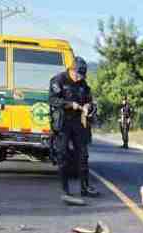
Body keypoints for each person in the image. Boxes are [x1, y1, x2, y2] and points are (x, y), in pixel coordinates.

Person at [49, 56, 98, 204]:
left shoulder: (83, 83)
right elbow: (52, 100)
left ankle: (85, 187)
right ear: (71, 69)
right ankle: (65, 190)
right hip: (63, 122)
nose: (79, 78)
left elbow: (89, 99)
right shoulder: (58, 80)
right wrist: (70, 104)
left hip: (78, 123)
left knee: (83, 155)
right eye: (77, 74)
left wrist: (89, 106)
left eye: (82, 75)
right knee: (62, 155)